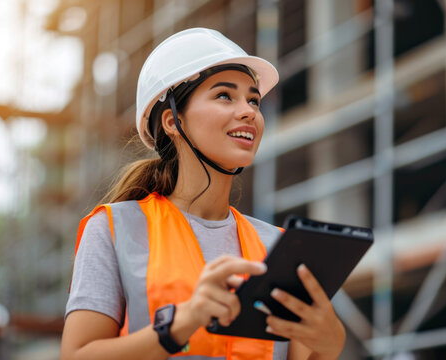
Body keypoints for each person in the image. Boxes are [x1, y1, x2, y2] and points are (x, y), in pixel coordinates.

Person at [61, 28, 345, 360]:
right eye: (225, 96)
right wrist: (181, 323)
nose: (249, 111)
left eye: (253, 100)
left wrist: (329, 347)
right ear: (171, 120)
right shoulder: (115, 229)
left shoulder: (279, 246)